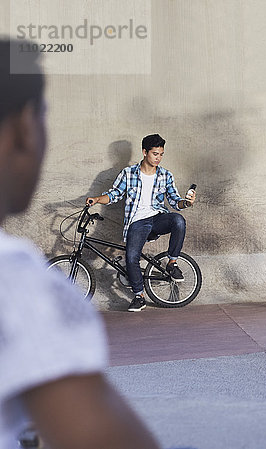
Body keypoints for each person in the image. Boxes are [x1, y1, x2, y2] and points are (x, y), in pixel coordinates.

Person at [0, 39, 160, 449]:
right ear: (24, 127)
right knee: (130, 248)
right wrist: (93, 200)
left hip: (154, 220)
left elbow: (173, 198)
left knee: (141, 245)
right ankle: (138, 289)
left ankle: (142, 288)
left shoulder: (164, 175)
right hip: (130, 222)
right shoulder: (19, 284)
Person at [87, 134, 196, 312]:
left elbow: (175, 201)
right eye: (155, 154)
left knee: (178, 220)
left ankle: (172, 263)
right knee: (132, 258)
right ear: (144, 152)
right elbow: (114, 195)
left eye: (161, 154)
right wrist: (97, 199)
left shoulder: (165, 175)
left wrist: (187, 202)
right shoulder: (128, 174)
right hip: (137, 222)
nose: (158, 158)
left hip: (158, 218)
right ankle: (139, 297)